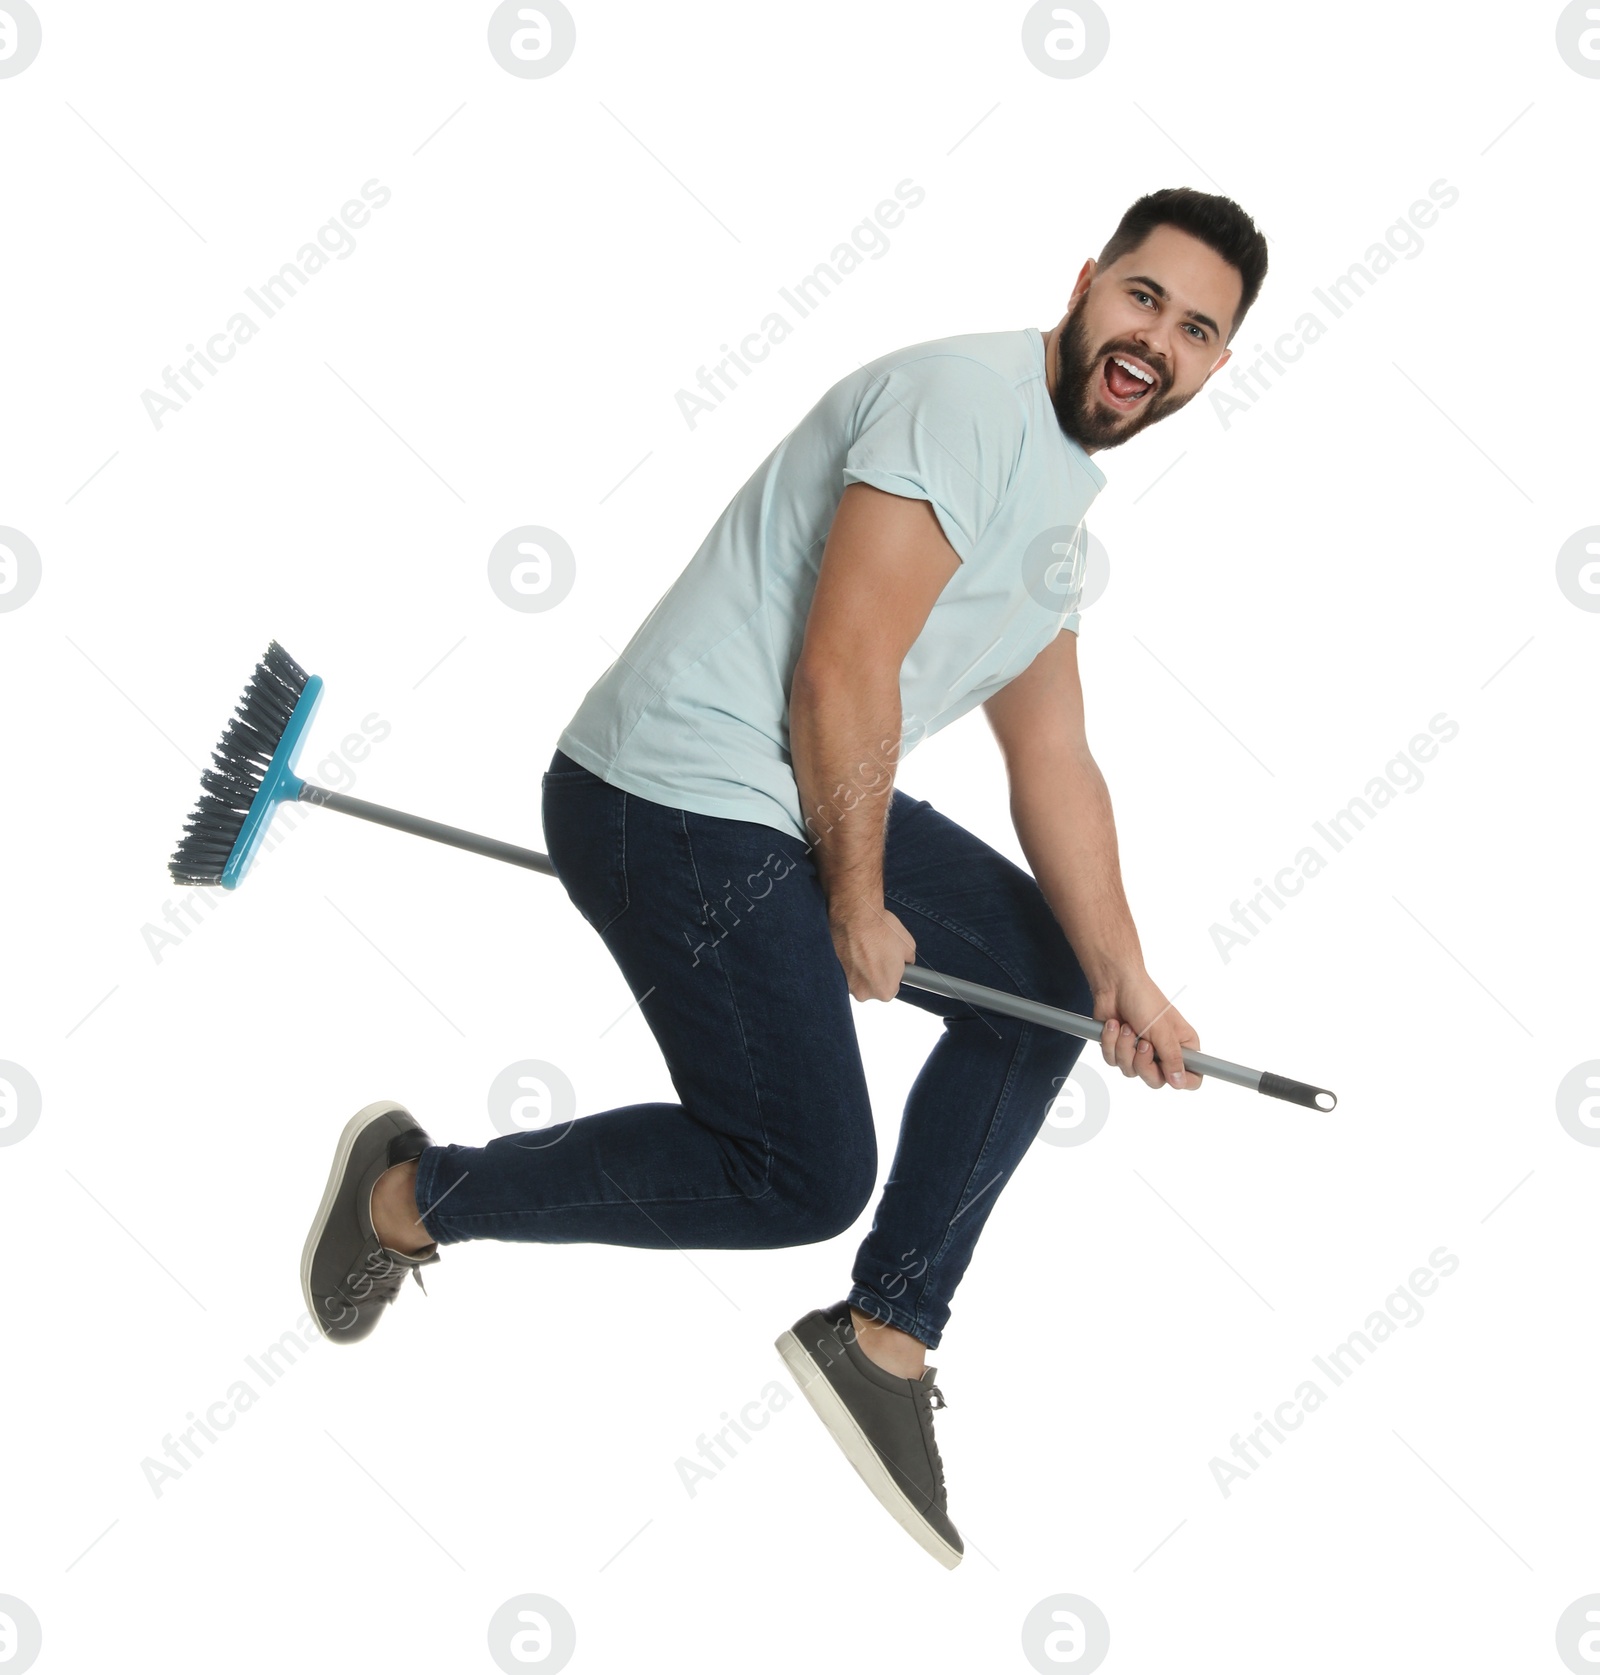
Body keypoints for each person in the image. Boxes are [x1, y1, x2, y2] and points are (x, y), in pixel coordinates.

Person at [302, 186, 1269, 1569]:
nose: (1154, 341)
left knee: (1042, 980)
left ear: (1217, 364)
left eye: (1195, 329)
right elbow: (844, 664)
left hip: (793, 795)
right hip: (669, 793)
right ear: (1084, 281)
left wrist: (1130, 980)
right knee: (802, 1173)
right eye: (1141, 298)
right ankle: (411, 1194)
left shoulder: (1059, 498)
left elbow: (1054, 757)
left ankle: (886, 1339)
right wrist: (857, 900)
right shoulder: (964, 403)